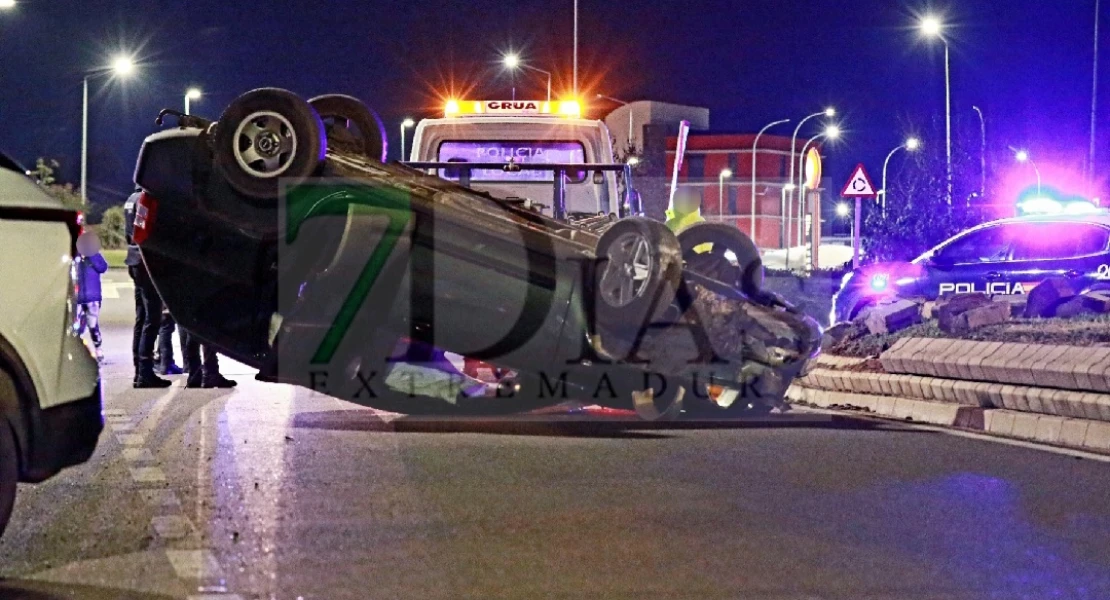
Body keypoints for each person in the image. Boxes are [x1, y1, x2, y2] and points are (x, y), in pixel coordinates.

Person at [124, 189, 171, 388]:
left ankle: (139, 370)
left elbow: (130, 232)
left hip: (133, 258)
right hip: (146, 261)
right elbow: (146, 232)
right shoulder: (145, 199)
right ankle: (144, 373)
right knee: (152, 319)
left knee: (141, 318)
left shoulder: (130, 199)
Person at [74, 233, 108, 362]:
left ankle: (98, 349)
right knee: (77, 326)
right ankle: (78, 351)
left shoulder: (94, 255)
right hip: (78, 298)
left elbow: (103, 267)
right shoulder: (76, 257)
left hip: (92, 298)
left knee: (93, 325)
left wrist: (91, 256)